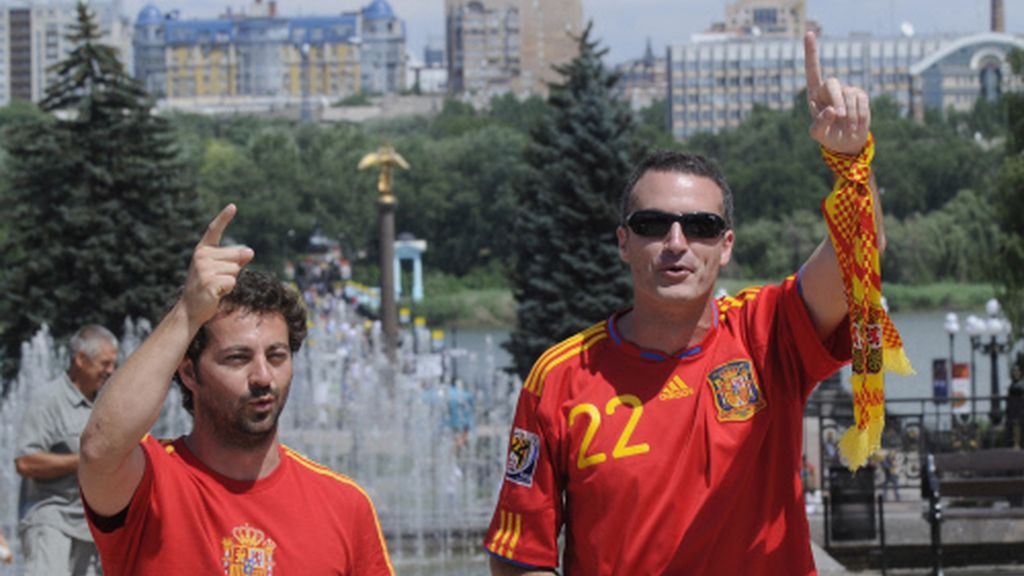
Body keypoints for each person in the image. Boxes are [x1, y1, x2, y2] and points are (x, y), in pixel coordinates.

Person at [485, 31, 881, 575]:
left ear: (726, 246)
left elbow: (859, 257)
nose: (676, 242)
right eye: (652, 224)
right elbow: (519, 557)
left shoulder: (767, 335)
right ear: (624, 241)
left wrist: (850, 163)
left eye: (700, 226)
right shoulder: (558, 378)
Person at [78, 205, 394, 575]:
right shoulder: (150, 483)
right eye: (237, 358)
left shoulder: (345, 505)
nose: (263, 375)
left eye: (277, 356)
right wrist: (187, 313)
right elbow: (98, 447)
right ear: (190, 373)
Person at [15, 324, 118, 575]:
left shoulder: (106, 404)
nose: (110, 371)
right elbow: (25, 463)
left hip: (90, 526)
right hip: (51, 520)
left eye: (113, 364)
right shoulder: (47, 401)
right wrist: (85, 460)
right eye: (104, 364)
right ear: (81, 359)